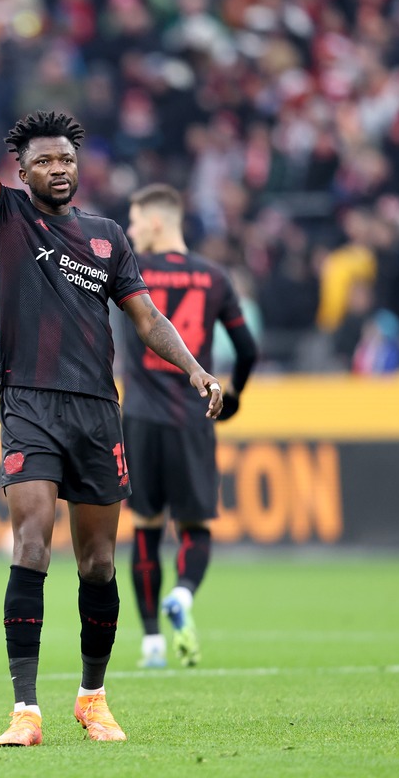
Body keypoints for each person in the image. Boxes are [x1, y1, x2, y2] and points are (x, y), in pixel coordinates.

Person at [0, 15, 222, 747]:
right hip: (28, 404)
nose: (58, 168)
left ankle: (92, 696)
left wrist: (199, 369)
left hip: (96, 413)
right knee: (31, 542)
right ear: (24, 170)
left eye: (67, 159)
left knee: (100, 561)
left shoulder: (109, 237)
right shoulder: (5, 215)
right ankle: (24, 709)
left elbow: (146, 321)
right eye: (44, 160)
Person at [120, 185, 258, 669]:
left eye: (135, 222)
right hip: (193, 417)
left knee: (144, 528)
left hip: (138, 418)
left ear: (156, 223)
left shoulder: (129, 269)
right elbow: (248, 350)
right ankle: (181, 592)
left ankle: (152, 641)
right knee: (194, 526)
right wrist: (235, 394)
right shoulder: (214, 277)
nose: (130, 232)